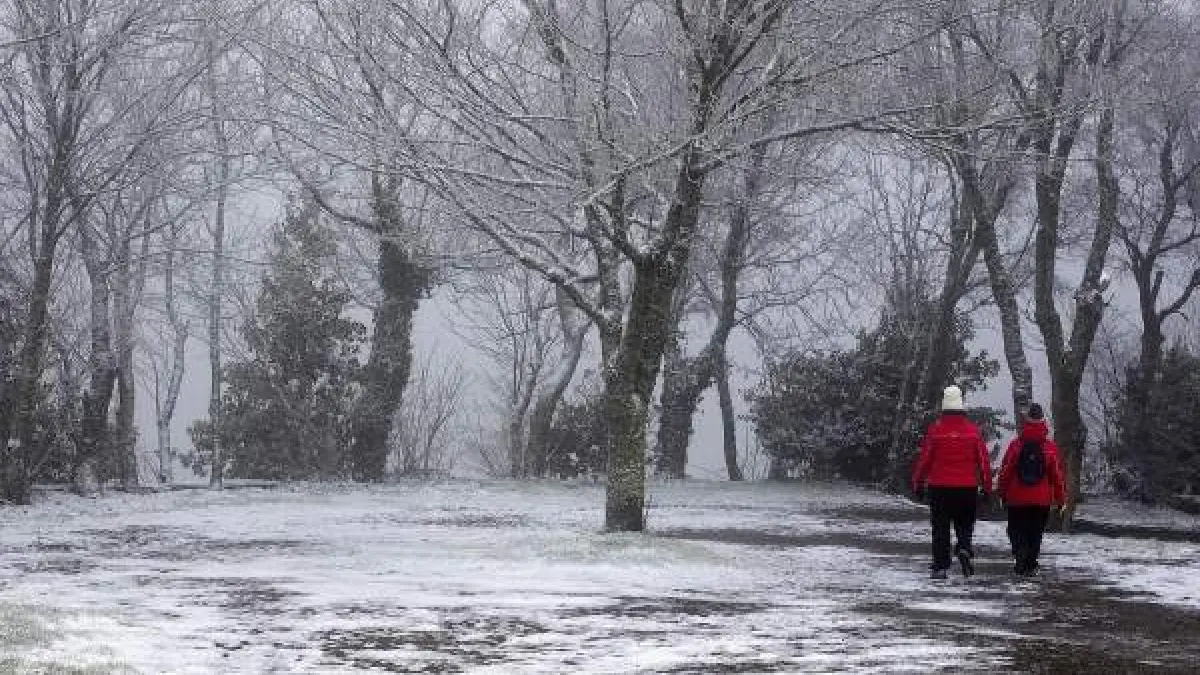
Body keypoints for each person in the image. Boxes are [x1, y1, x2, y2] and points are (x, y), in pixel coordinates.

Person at [912, 385, 993, 579]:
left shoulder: (935, 430)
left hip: (939, 487)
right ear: (962, 406)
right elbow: (983, 461)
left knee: (940, 527)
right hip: (967, 487)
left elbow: (925, 460)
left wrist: (918, 483)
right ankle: (964, 547)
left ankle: (940, 566)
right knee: (965, 524)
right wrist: (987, 487)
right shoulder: (973, 431)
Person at [995, 403, 1067, 577]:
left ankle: (1020, 554)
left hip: (1016, 497)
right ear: (1043, 421)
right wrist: (1061, 499)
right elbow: (1056, 476)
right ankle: (1030, 565)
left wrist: (1002, 493)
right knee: (1036, 532)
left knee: (1015, 529)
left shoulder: (1015, 445)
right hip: (1041, 499)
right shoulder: (1050, 447)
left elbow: (1006, 471)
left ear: (1027, 420)